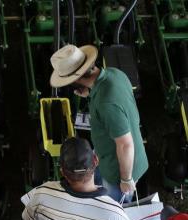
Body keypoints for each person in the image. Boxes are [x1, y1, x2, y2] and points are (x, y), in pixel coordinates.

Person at [49, 44, 148, 203]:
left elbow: (125, 145)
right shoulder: (115, 74)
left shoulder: (105, 103)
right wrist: (91, 93)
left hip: (120, 170)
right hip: (112, 154)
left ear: (76, 79)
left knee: (110, 208)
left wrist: (125, 180)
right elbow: (118, 102)